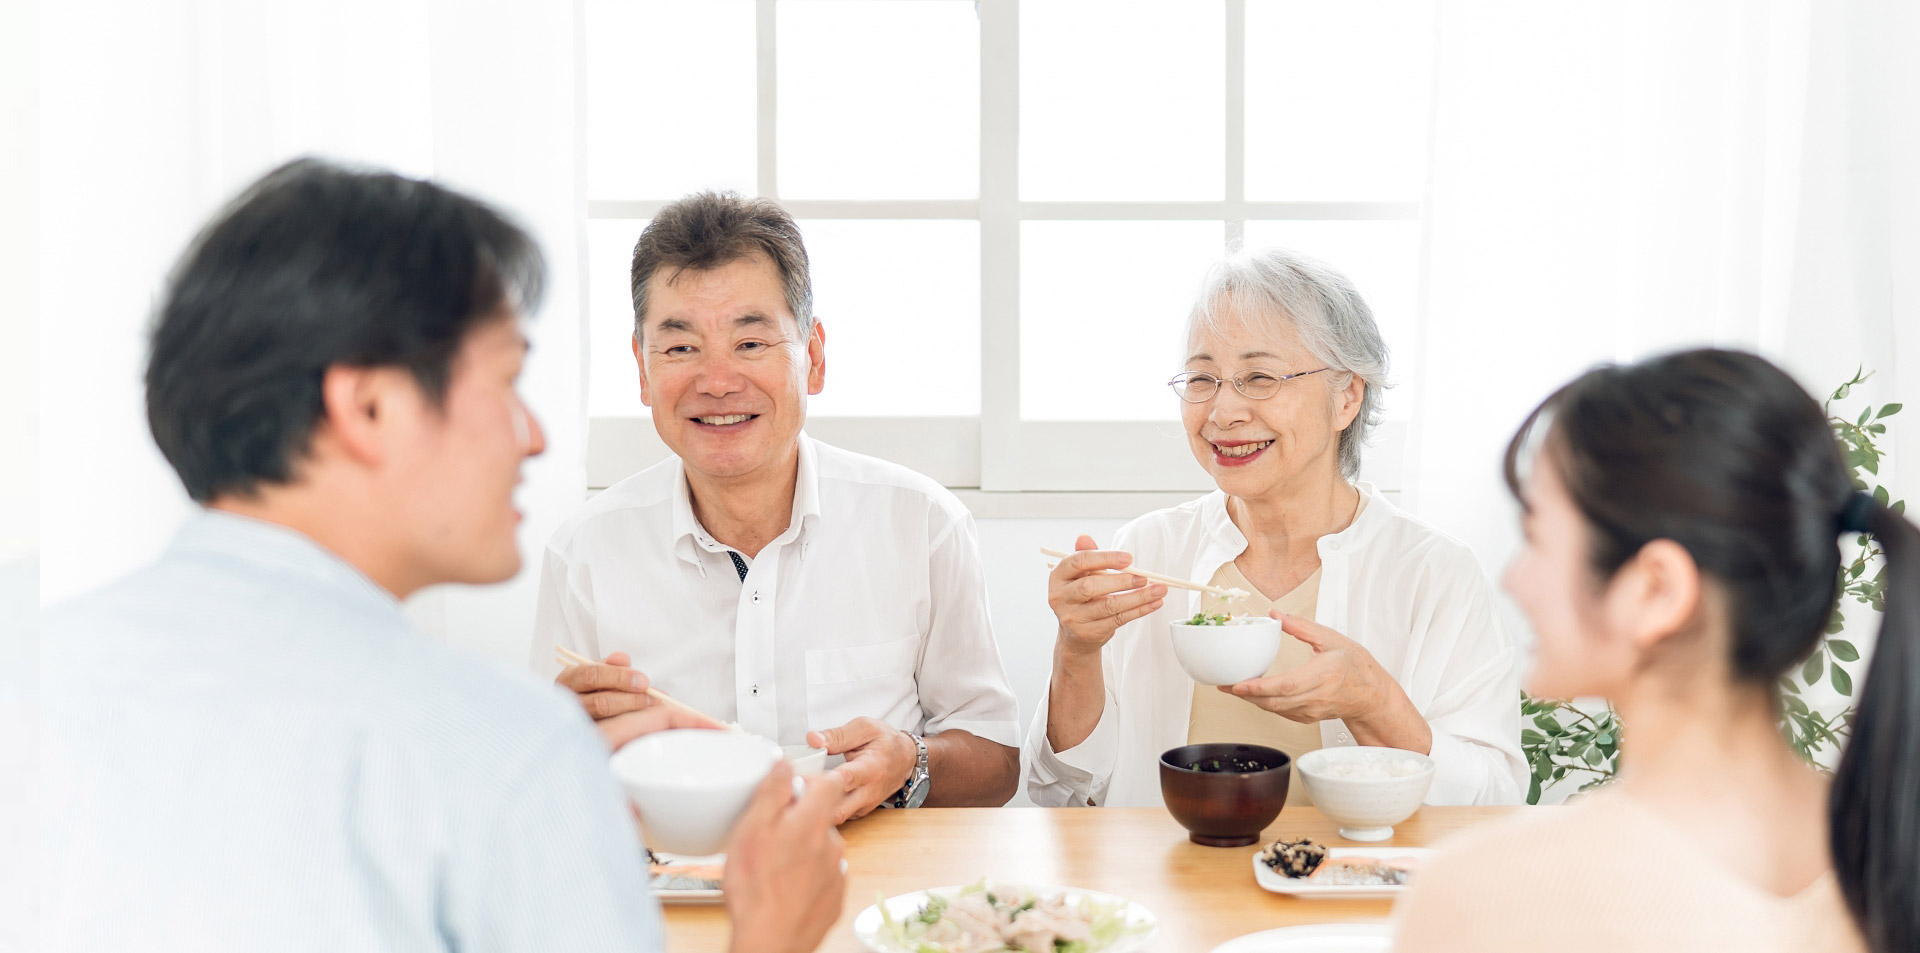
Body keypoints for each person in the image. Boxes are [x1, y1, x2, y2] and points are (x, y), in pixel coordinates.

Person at [41, 160, 844, 953]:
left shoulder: (32, 675)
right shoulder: (505, 752)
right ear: (368, 405)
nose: (532, 435)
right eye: (506, 381)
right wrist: (770, 935)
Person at [1394, 349, 1916, 953]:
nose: (1515, 578)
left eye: (1537, 539)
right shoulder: (1892, 853)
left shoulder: (1485, 897)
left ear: (1657, 589)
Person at [535, 192, 1020, 824]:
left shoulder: (922, 523)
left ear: (813, 357)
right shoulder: (585, 553)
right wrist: (561, 744)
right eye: (680, 348)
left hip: (873, 891)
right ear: (642, 369)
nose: (717, 381)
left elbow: (999, 763)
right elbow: (545, 790)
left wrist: (910, 761)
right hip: (671, 890)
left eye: (752, 342)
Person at [1025, 247, 1525, 808]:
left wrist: (1373, 703)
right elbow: (1064, 788)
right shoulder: (1148, 551)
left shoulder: (1433, 571)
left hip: (1353, 886)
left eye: (1259, 376)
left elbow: (1494, 798)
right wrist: (1078, 647)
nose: (1222, 412)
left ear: (1347, 397)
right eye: (1202, 379)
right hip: (1166, 881)